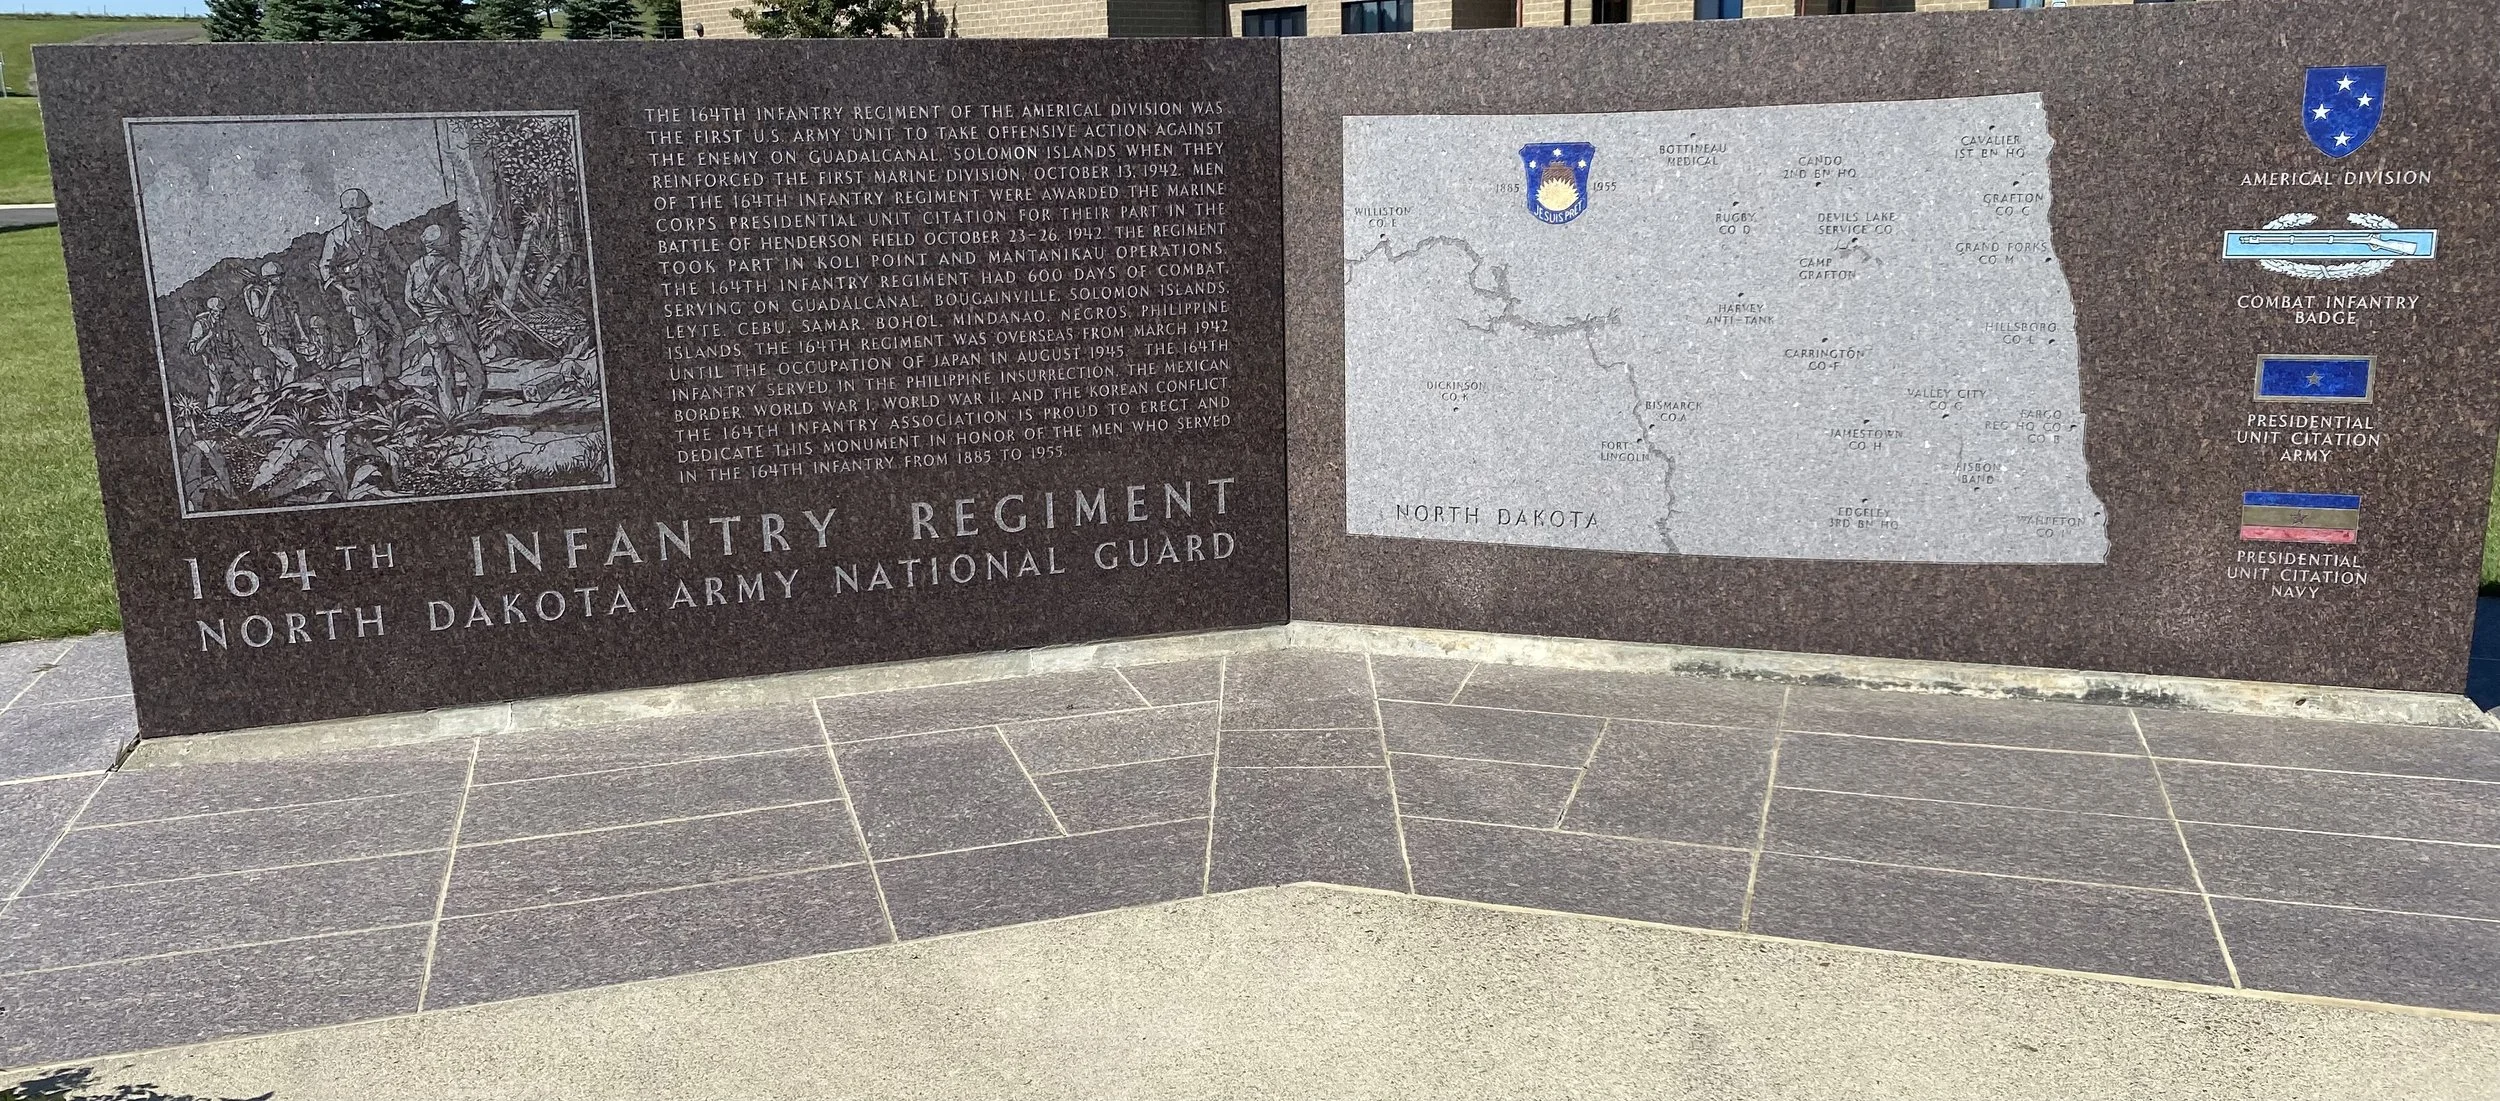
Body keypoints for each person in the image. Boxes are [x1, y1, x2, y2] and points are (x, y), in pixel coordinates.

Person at [319, 188, 404, 390]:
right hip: (357, 299)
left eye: (364, 208)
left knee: (398, 334)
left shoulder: (378, 235)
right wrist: (343, 291)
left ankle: (391, 376)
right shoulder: (336, 237)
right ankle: (375, 386)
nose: (362, 214)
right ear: (347, 211)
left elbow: (396, 261)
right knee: (368, 343)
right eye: (357, 210)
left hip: (377, 295)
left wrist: (414, 273)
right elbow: (325, 268)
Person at [405, 223, 492, 417]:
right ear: (443, 244)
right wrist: (474, 304)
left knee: (442, 373)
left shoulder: (414, 268)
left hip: (429, 328)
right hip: (451, 326)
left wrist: (425, 315)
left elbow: (409, 300)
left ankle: (450, 415)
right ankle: (468, 414)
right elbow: (462, 306)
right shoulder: (451, 270)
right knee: (475, 373)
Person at [240, 261, 308, 390]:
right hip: (272, 336)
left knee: (281, 367)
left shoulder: (283, 290)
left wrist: (302, 334)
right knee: (292, 365)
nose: (280, 278)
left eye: (281, 275)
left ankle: (277, 394)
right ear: (268, 279)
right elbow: (260, 315)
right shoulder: (257, 292)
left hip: (286, 333)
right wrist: (269, 294)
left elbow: (293, 313)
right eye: (277, 276)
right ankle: (286, 394)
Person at [184, 296, 244, 407]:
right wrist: (207, 337)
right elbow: (193, 350)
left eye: (221, 312)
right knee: (216, 389)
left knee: (245, 379)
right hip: (213, 362)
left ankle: (230, 401)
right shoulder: (200, 324)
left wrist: (244, 358)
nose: (219, 315)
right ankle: (211, 414)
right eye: (216, 312)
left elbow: (235, 344)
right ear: (211, 311)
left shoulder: (224, 323)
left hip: (227, 360)